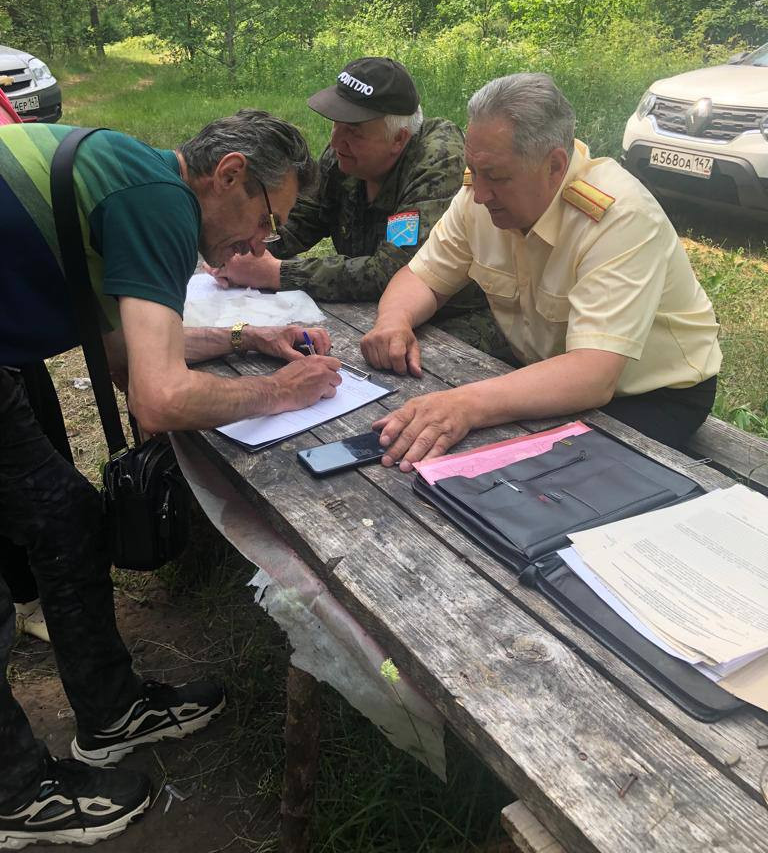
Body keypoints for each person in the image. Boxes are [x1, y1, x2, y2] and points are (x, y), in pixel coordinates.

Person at [0, 110, 342, 848]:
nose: (258, 245)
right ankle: (14, 795)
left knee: (63, 516)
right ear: (228, 175)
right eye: (262, 219)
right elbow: (156, 399)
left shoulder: (131, 177)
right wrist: (281, 393)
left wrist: (251, 337)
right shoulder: (160, 202)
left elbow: (129, 346)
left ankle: (111, 711)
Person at [361, 73, 722, 471]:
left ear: (554, 165)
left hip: (650, 394)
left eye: (496, 177)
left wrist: (463, 404)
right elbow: (421, 276)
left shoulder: (620, 216)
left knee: (523, 490)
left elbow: (593, 374)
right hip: (544, 373)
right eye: (474, 171)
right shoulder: (480, 196)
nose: (479, 193)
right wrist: (394, 321)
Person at [206, 57, 508, 355]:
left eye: (354, 131)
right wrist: (245, 243)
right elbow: (304, 219)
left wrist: (277, 273)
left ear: (398, 139)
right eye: (336, 125)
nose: (336, 141)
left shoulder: (439, 159)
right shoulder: (345, 156)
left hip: (451, 318)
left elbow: (394, 269)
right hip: (373, 312)